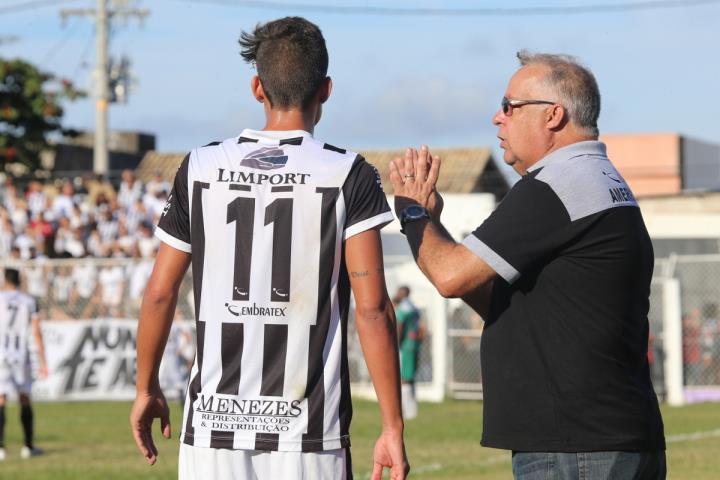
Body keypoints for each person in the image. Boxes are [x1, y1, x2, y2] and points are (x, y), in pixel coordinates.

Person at [130, 16, 409, 480]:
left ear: (257, 87)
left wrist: (146, 386)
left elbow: (160, 293)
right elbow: (373, 308)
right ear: (326, 89)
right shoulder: (348, 173)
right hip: (309, 430)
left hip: (213, 428)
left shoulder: (201, 165)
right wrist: (392, 426)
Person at [389, 51, 666, 479]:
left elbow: (450, 275)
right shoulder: (594, 177)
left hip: (578, 447)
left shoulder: (559, 183)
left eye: (509, 106)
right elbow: (501, 302)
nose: (498, 119)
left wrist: (412, 214)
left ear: (554, 115)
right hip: (599, 438)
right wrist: (435, 223)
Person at [0, 268, 49, 460]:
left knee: (1, 399)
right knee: (24, 398)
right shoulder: (29, 301)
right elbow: (36, 333)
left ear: (5, 281)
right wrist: (43, 361)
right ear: (20, 280)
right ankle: (28, 447)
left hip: (1, 354)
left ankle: (1, 449)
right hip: (21, 355)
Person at [392, 286, 423, 420]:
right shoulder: (414, 307)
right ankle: (412, 409)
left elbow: (400, 325)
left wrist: (395, 344)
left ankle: (408, 412)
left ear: (403, 293)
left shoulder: (404, 308)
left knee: (404, 378)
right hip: (414, 343)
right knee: (410, 376)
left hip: (405, 345)